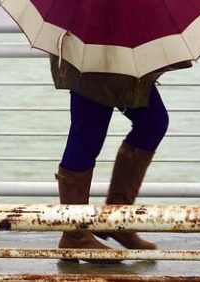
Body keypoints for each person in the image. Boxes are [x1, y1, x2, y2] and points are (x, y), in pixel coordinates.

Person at [49, 54, 192, 263]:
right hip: (91, 58)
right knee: (86, 138)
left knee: (152, 123)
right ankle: (75, 234)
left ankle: (116, 219)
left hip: (121, 57)